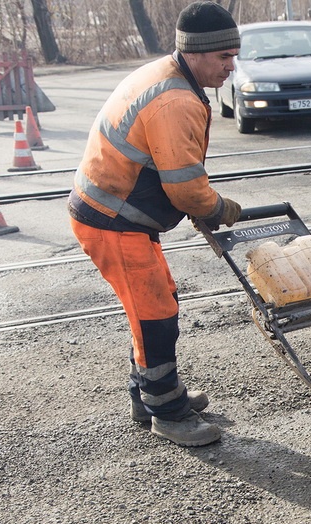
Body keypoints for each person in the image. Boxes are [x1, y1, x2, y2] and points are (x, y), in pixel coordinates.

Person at [68, 2, 242, 447]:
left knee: (157, 303)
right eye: (224, 56)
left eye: (233, 55)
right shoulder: (175, 100)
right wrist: (219, 208)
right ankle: (167, 413)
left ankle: (147, 395)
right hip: (113, 220)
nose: (231, 65)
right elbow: (185, 188)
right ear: (198, 53)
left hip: (119, 216)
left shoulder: (168, 73)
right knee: (155, 315)